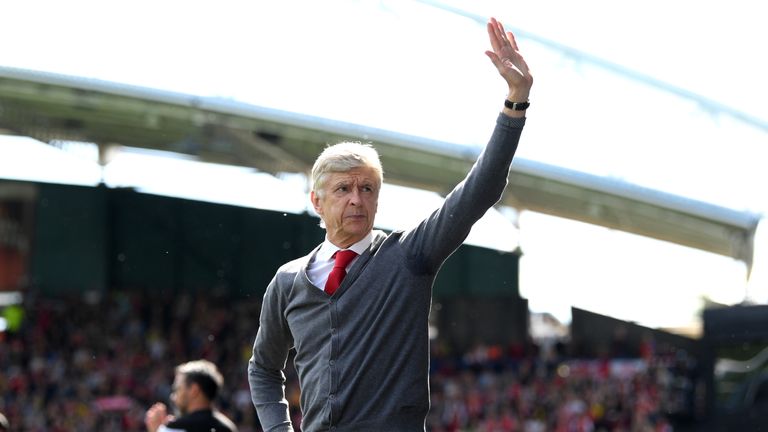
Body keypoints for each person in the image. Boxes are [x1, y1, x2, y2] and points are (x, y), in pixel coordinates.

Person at [248, 16, 533, 432]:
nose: (356, 199)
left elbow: (480, 191)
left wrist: (515, 102)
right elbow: (263, 369)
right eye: (344, 189)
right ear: (317, 202)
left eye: (367, 189)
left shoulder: (408, 256)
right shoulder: (288, 281)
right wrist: (278, 429)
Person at [145, 359, 238, 432]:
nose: (173, 396)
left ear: (194, 390)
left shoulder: (176, 428)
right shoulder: (227, 428)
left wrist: (157, 430)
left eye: (177, 389)